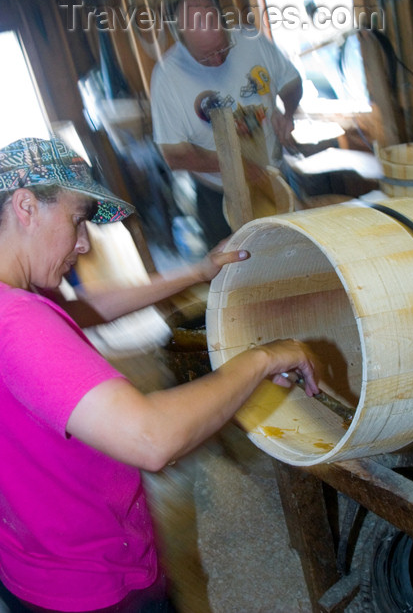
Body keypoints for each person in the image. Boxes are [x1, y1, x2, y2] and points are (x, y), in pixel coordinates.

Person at [0, 136, 320, 612]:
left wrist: (196, 271)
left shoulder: (24, 298)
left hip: (32, 556)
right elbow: (152, 439)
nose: (84, 243)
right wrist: (264, 358)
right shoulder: (17, 321)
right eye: (77, 219)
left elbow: (84, 310)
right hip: (91, 581)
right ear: (26, 207)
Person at [150, 0, 303, 249]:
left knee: (293, 256)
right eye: (207, 57)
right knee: (237, 277)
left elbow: (291, 82)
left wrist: (287, 114)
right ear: (181, 40)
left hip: (276, 178)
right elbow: (174, 156)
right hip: (220, 195)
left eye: (223, 48)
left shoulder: (251, 40)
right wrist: (232, 165)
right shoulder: (167, 78)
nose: (218, 60)